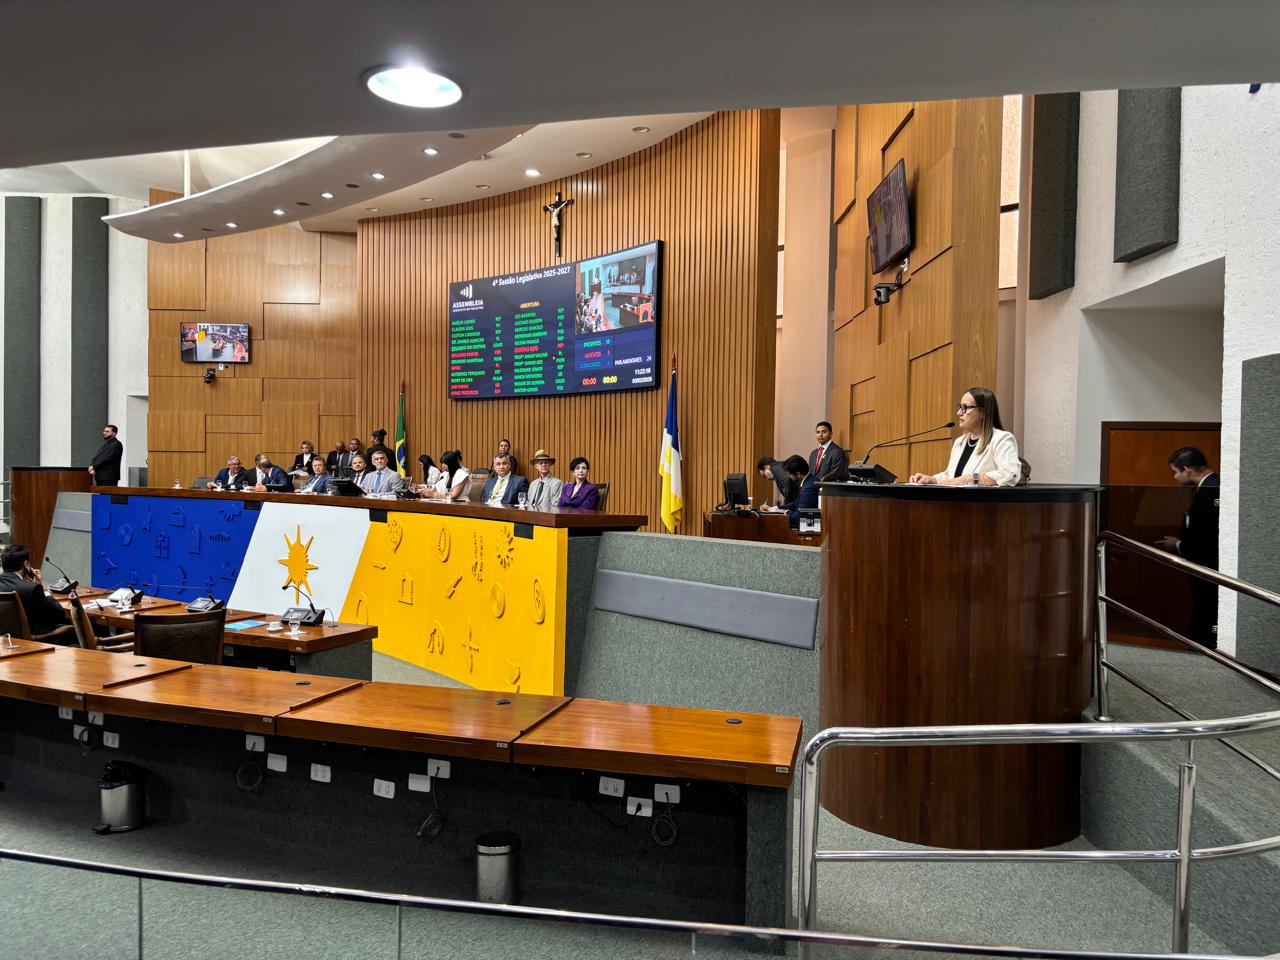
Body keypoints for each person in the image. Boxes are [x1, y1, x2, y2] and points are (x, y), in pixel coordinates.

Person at [1156, 447, 1220, 649]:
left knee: (1205, 609)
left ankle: (1201, 648)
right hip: (1201, 565)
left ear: (1187, 469)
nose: (1174, 477)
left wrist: (1179, 544)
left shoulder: (1212, 490)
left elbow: (1208, 536)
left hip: (1208, 566)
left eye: (1175, 472)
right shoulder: (1204, 488)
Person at [908, 387, 1021, 487]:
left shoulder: (1001, 439)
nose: (959, 413)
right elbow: (951, 476)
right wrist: (931, 480)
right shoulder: (960, 442)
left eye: (965, 407)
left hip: (981, 506)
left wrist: (970, 478)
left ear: (983, 412)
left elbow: (1010, 473)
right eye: (960, 407)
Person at [0, 545, 71, 638]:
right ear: (26, 564)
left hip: (5, 639)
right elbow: (59, 615)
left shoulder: (28, 587)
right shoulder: (31, 588)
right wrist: (44, 589)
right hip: (36, 638)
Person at [778, 455, 819, 526]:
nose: (790, 477)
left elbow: (799, 518)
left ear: (798, 474)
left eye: (790, 474)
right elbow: (796, 503)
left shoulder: (808, 488)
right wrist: (776, 508)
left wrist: (785, 511)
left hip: (806, 527)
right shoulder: (809, 480)